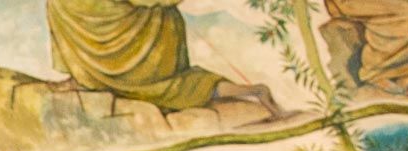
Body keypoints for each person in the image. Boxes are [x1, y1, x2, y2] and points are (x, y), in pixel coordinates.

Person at [45, 0, 282, 116]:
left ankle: (252, 91)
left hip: (148, 34)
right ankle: (83, 75)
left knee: (164, 88)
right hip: (116, 20)